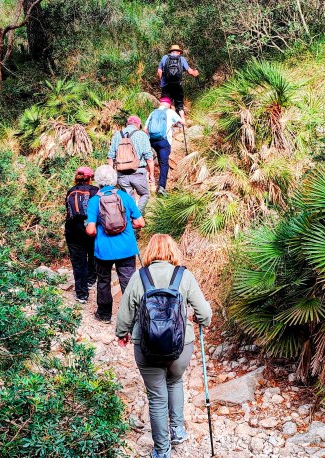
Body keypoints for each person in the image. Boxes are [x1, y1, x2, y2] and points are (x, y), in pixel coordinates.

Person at [116, 234, 212, 458]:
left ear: (150, 251)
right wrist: (200, 320)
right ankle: (177, 430)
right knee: (175, 381)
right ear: (173, 250)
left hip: (146, 345)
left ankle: (161, 450)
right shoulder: (184, 276)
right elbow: (205, 313)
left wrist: (122, 333)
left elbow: (125, 312)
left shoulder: (139, 277)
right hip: (181, 346)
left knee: (157, 396)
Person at [86, 165, 145, 322]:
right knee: (128, 282)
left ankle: (104, 314)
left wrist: (101, 227)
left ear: (97, 180)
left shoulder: (94, 201)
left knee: (103, 281)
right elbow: (140, 222)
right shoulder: (125, 196)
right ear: (114, 179)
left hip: (103, 250)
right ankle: (132, 318)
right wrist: (125, 224)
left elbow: (90, 230)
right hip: (126, 247)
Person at [64, 166, 99, 304]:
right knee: (93, 255)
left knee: (79, 263)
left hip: (72, 230)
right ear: (90, 178)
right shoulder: (95, 190)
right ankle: (91, 279)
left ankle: (82, 294)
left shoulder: (70, 191)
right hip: (91, 228)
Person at [109, 115, 155, 211]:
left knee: (128, 198)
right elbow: (149, 157)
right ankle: (138, 214)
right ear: (138, 125)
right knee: (144, 194)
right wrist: (151, 174)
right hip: (138, 172)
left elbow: (110, 157)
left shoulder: (117, 135)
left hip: (121, 173)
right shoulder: (142, 135)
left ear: (127, 124)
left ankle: (131, 216)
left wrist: (111, 174)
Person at [145, 97, 184, 195]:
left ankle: (150, 182)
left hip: (152, 141)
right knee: (164, 163)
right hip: (163, 141)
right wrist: (182, 117)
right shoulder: (170, 112)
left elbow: (145, 128)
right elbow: (182, 122)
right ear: (169, 105)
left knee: (154, 159)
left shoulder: (153, 112)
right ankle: (161, 187)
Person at [158, 44, 199, 119]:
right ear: (179, 52)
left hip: (166, 85)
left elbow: (159, 71)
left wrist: (162, 82)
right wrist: (195, 73)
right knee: (179, 105)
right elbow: (190, 72)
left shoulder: (164, 57)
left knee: (165, 104)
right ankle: (183, 120)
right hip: (177, 85)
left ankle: (166, 121)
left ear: (170, 51)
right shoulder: (181, 59)